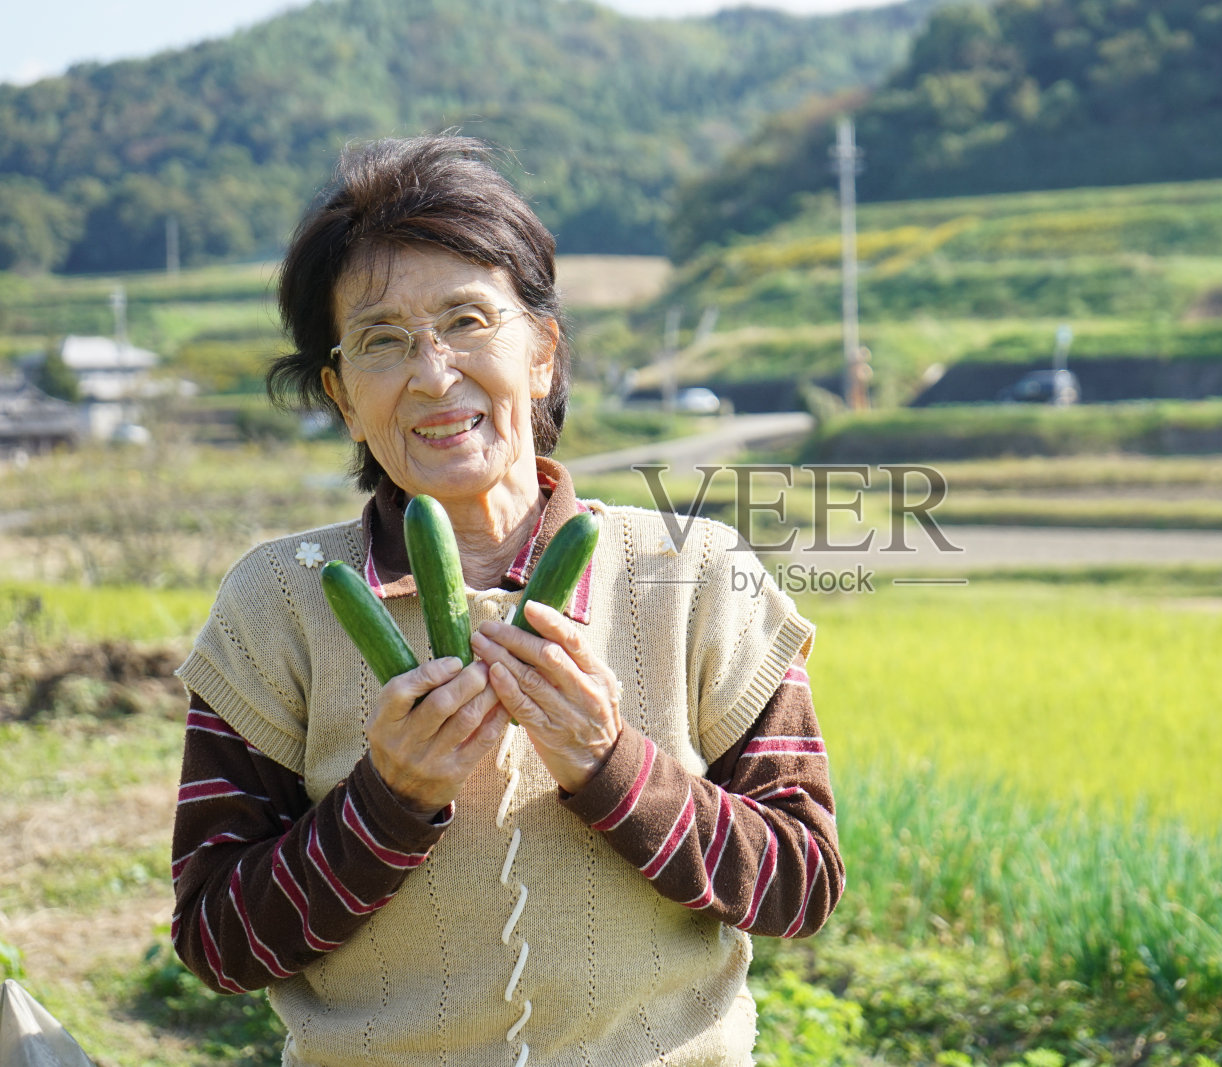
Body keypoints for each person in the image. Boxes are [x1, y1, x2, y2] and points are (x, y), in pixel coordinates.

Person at [169, 135, 842, 1067]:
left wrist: (614, 768)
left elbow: (804, 885)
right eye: (382, 341)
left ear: (542, 351)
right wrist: (386, 803)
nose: (434, 373)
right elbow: (215, 939)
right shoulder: (276, 604)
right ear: (341, 395)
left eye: (468, 321)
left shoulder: (694, 574)